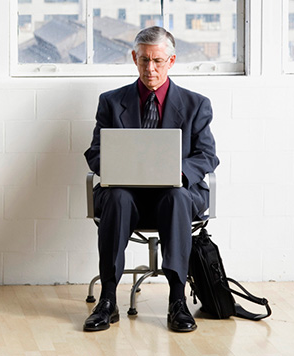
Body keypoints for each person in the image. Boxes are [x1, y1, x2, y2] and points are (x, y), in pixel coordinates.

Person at [83, 27, 218, 333]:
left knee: (177, 196)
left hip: (174, 196)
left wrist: (178, 173)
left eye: (158, 61)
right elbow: (95, 152)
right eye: (144, 60)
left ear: (171, 61)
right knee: (116, 196)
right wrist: (117, 168)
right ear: (134, 58)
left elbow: (207, 156)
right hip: (126, 195)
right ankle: (107, 300)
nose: (150, 68)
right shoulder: (111, 102)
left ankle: (177, 300)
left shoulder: (196, 104)